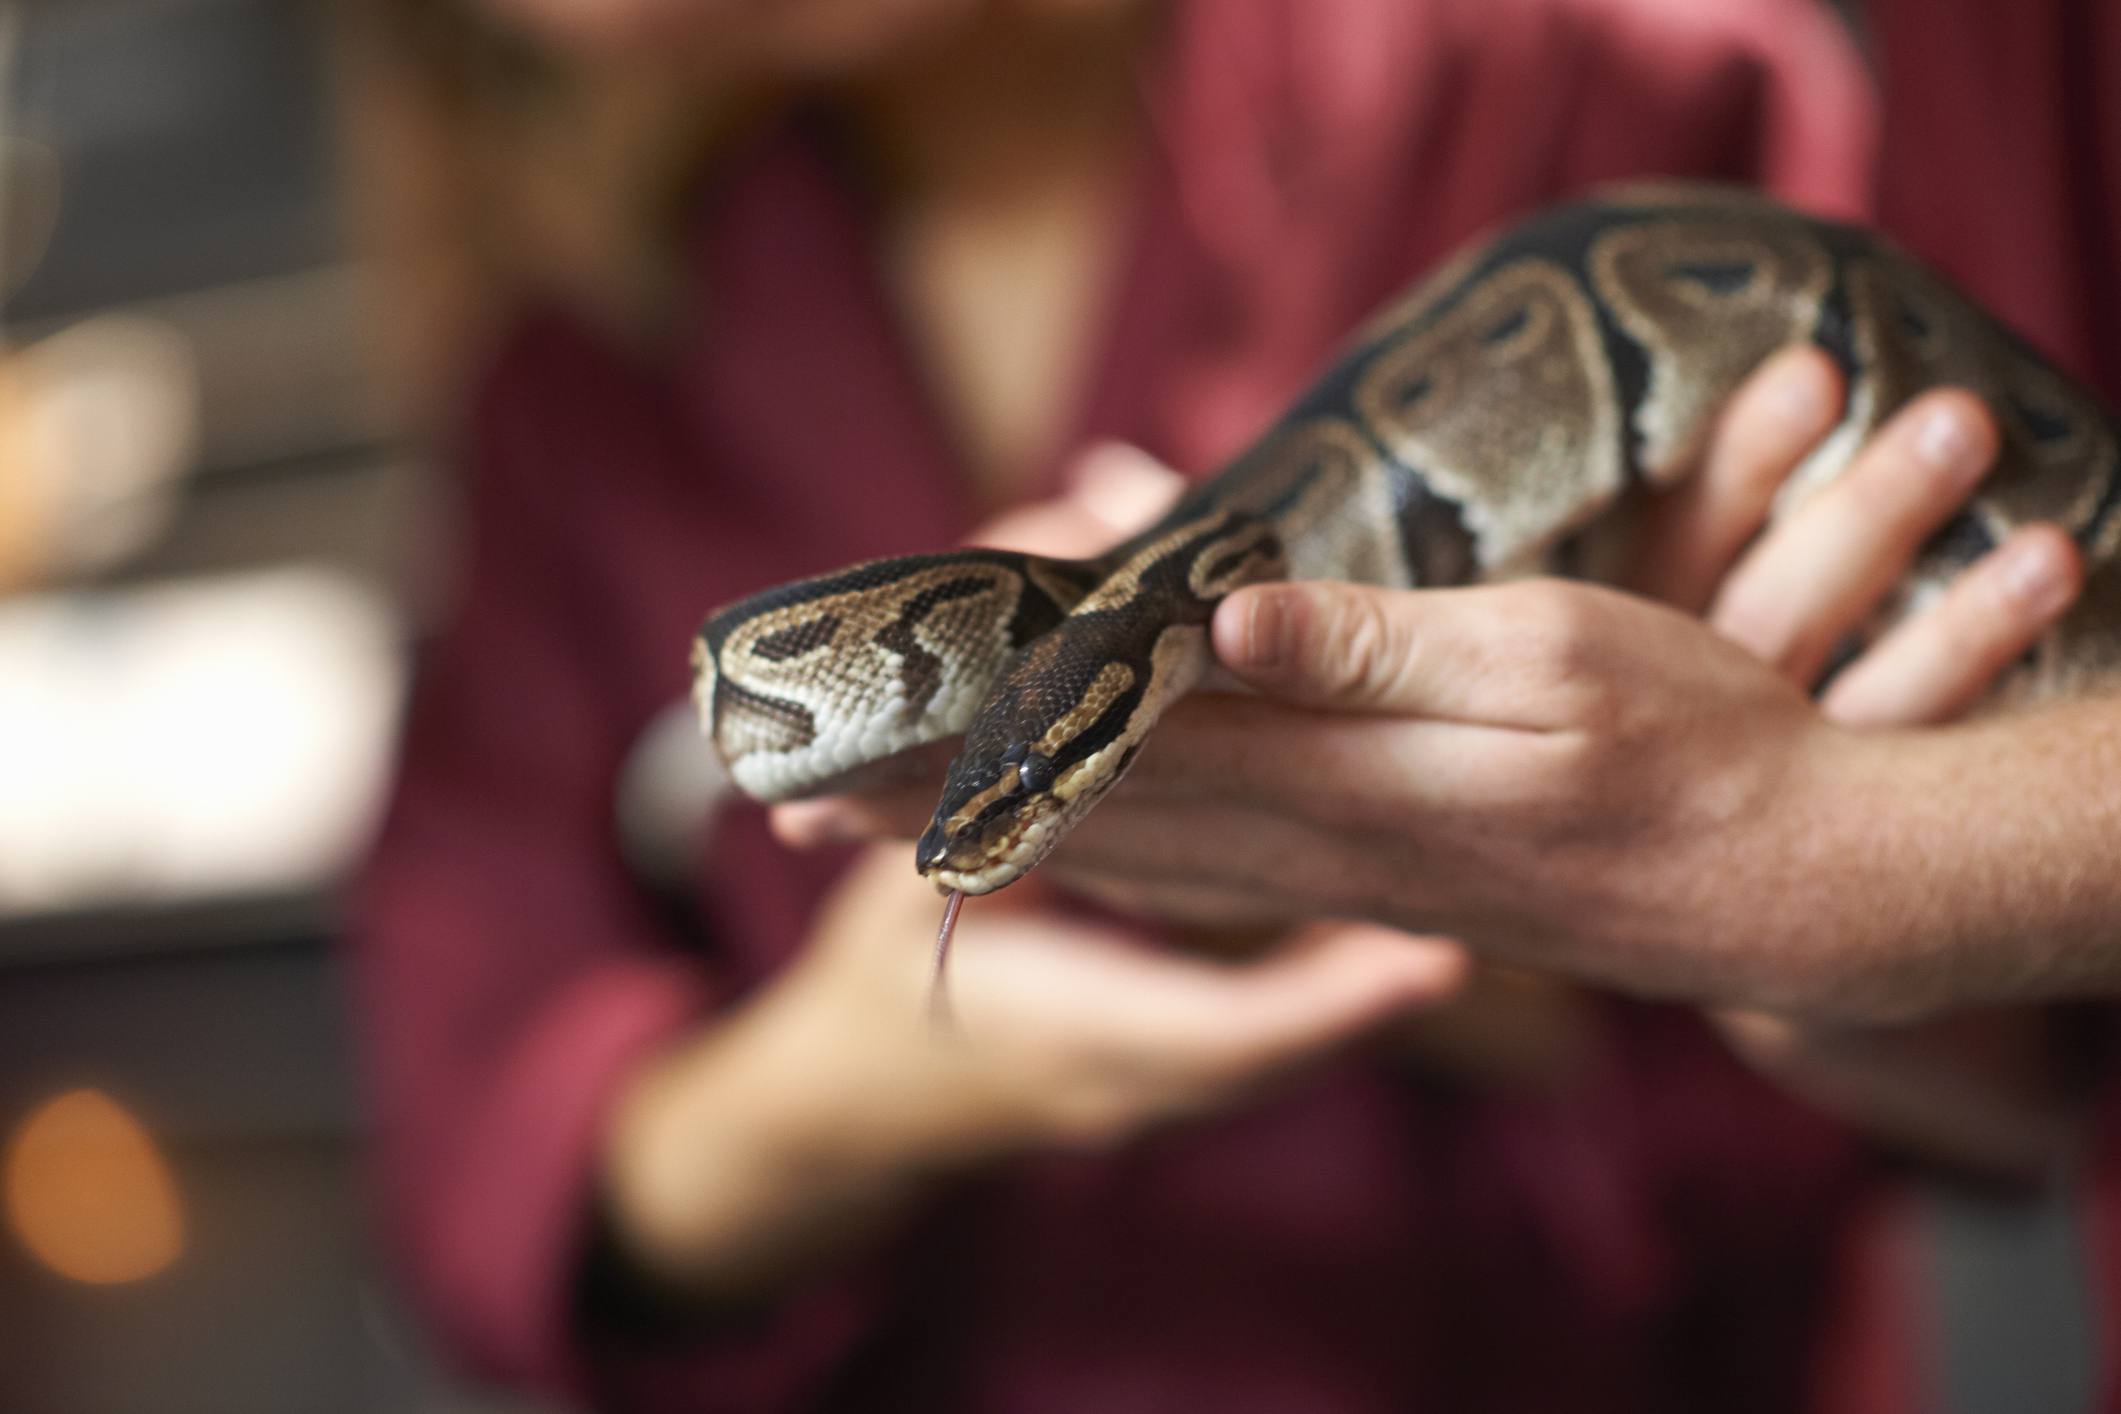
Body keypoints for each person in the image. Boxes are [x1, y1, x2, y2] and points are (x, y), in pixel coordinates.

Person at [349, 1, 2068, 1409]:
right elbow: (473, 1161)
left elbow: (2019, 1060)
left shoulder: (1623, 89)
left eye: (1032, 801)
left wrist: (1502, 916)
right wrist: (838, 1087)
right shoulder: (577, 384)